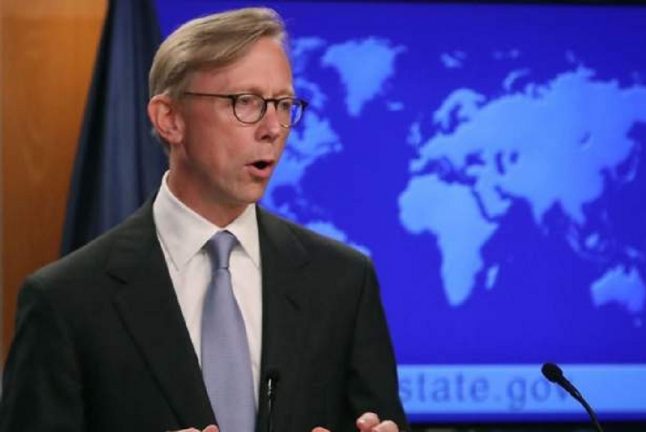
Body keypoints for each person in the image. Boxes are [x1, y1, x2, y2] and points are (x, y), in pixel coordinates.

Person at [0, 7, 407, 432]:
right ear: (170, 119)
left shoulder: (343, 282)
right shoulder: (66, 300)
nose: (273, 128)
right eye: (246, 102)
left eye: (284, 104)